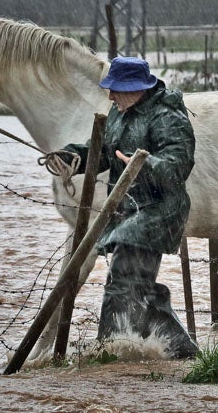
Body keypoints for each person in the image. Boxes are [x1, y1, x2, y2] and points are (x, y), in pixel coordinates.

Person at [55, 56, 199, 358]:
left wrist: (139, 163)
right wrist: (72, 157)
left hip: (159, 212)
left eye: (115, 89)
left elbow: (178, 167)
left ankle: (110, 348)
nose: (109, 95)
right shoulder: (120, 111)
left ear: (135, 89)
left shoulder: (167, 115)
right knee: (135, 285)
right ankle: (181, 352)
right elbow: (107, 152)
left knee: (123, 280)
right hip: (128, 211)